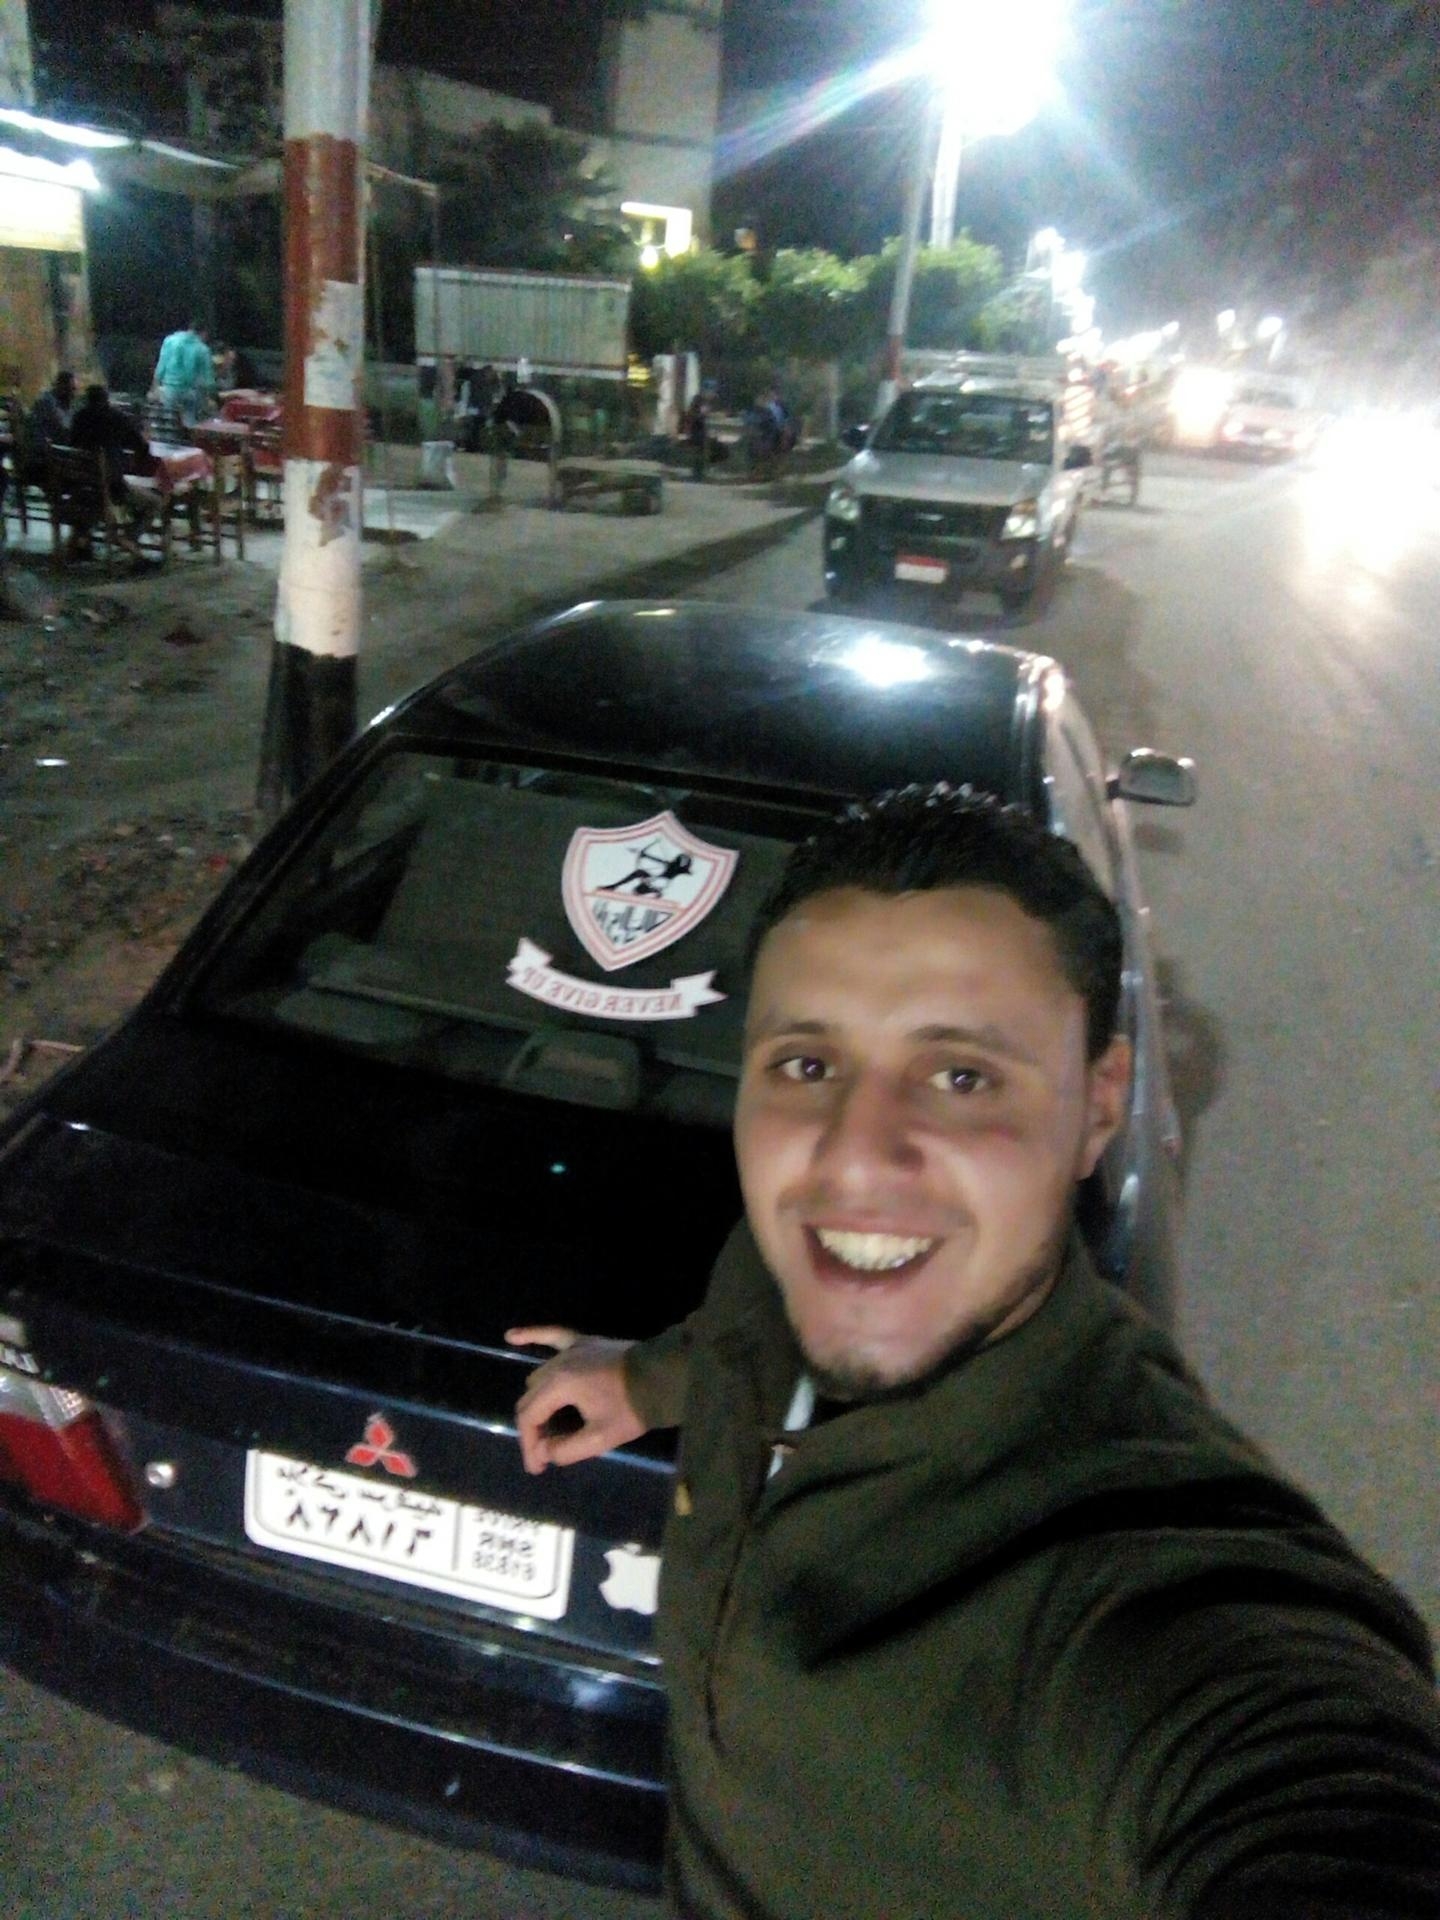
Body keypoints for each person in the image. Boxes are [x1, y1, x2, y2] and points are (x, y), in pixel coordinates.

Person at [509, 785, 1440, 1920]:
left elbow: (1313, 1789)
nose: (852, 1161)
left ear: (1099, 1104)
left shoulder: (1145, 1602)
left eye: (962, 1077)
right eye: (806, 1066)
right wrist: (640, 1378)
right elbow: (742, 1335)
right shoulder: (774, 1267)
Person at [69, 382, 158, 557]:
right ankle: (129, 537)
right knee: (154, 502)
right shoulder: (116, 417)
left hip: (81, 490)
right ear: (107, 399)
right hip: (111, 490)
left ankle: (81, 541)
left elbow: (72, 443)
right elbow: (141, 447)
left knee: (102, 490)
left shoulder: (78, 418)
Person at [151, 319, 216, 426]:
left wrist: (154, 388)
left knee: (168, 420)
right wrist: (210, 396)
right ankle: (189, 430)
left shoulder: (170, 341)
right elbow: (208, 379)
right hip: (191, 391)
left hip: (169, 389)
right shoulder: (203, 349)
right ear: (204, 333)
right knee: (190, 418)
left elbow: (161, 367)